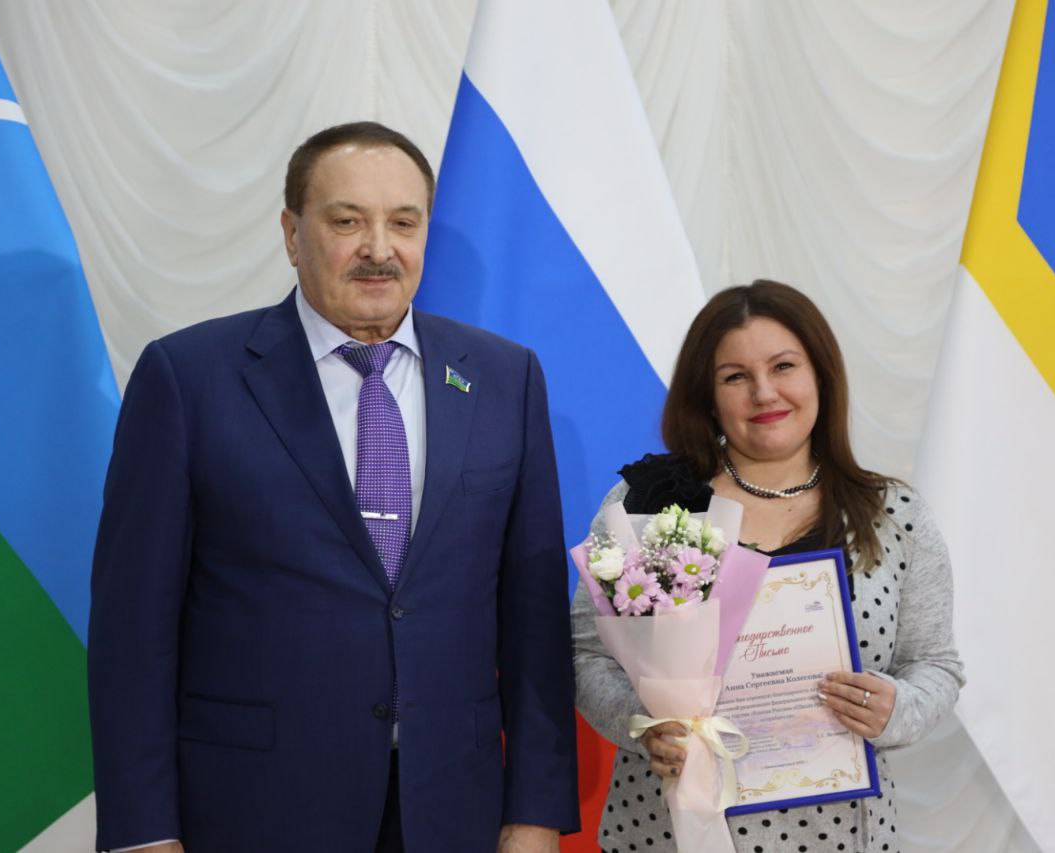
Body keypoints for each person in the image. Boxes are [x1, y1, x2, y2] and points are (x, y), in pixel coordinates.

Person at [88, 122, 579, 852]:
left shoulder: (507, 378)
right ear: (293, 234)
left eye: (403, 223)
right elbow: (134, 633)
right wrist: (142, 833)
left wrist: (535, 812)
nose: (379, 248)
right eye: (347, 221)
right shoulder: (189, 379)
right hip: (255, 810)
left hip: (454, 810)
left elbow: (534, 622)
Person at [572, 280, 964, 852]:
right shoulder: (649, 505)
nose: (763, 392)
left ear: (821, 377)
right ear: (708, 397)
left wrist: (897, 709)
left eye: (783, 366)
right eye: (735, 377)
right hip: (668, 832)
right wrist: (645, 724)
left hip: (838, 834)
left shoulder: (893, 515)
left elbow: (936, 665)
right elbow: (586, 652)